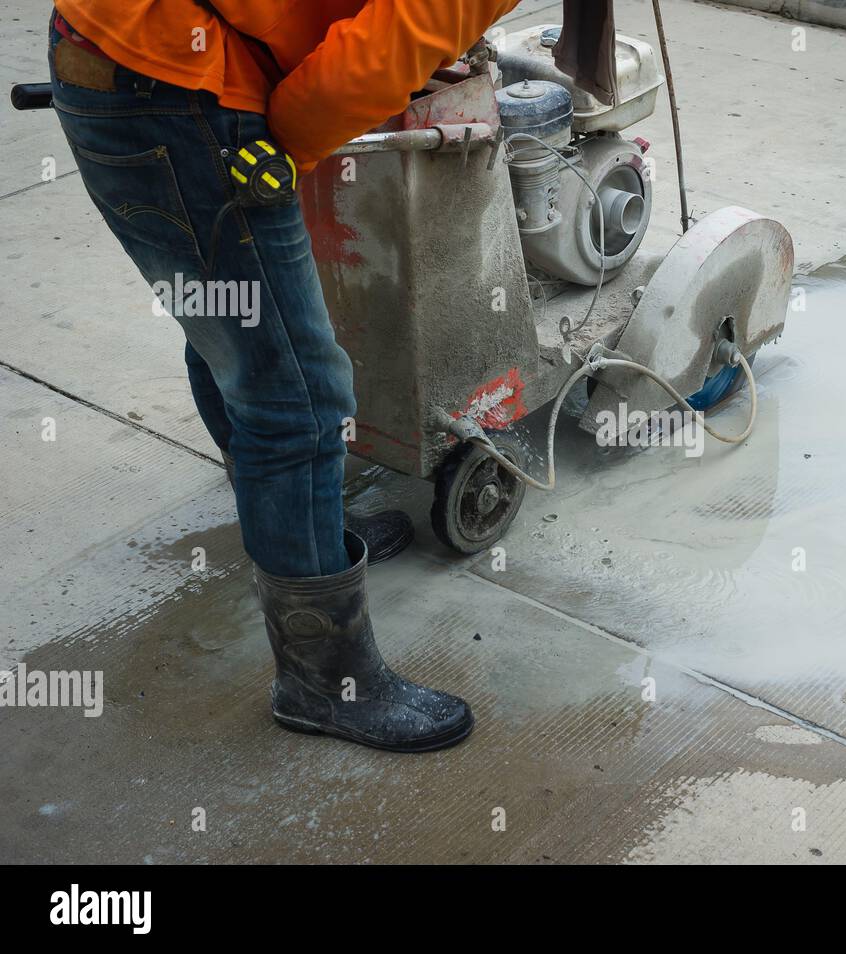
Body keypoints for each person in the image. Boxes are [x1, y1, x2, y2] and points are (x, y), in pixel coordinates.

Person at [47, 0, 521, 752]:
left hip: (120, 51)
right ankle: (325, 683)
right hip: (176, 96)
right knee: (297, 398)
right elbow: (354, 72)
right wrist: (289, 148)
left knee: (229, 329)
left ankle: (301, 530)